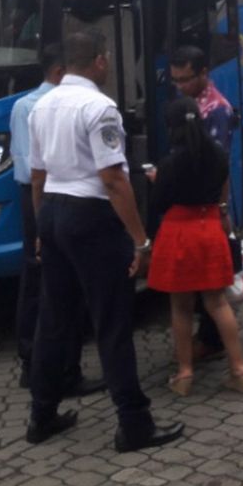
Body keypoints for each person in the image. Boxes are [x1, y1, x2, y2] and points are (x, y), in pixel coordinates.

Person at [25, 29, 183, 452]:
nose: (109, 63)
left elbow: (38, 177)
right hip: (90, 217)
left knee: (54, 321)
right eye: (107, 57)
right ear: (97, 61)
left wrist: (42, 227)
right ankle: (134, 423)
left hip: (54, 212)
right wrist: (140, 240)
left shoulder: (41, 106)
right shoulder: (100, 107)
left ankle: (41, 415)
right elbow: (113, 179)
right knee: (112, 322)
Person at [10, 44, 102, 397]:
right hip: (59, 195)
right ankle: (69, 370)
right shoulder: (75, 104)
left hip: (30, 198)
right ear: (62, 72)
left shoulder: (23, 106)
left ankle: (30, 362)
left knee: (34, 281)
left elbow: (28, 166)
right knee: (69, 285)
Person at [145, 97, 243, 396]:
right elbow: (222, 189)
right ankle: (240, 369)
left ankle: (185, 373)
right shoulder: (217, 155)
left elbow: (158, 204)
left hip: (180, 233)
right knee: (217, 303)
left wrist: (157, 180)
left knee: (180, 308)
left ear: (171, 128)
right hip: (210, 231)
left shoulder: (170, 164)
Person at [168, 45, 243, 365]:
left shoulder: (216, 109)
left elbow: (218, 166)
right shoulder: (188, 104)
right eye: (175, 80)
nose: (180, 86)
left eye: (186, 79)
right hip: (192, 209)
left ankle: (213, 342)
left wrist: (222, 210)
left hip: (207, 209)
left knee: (214, 281)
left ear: (204, 73)